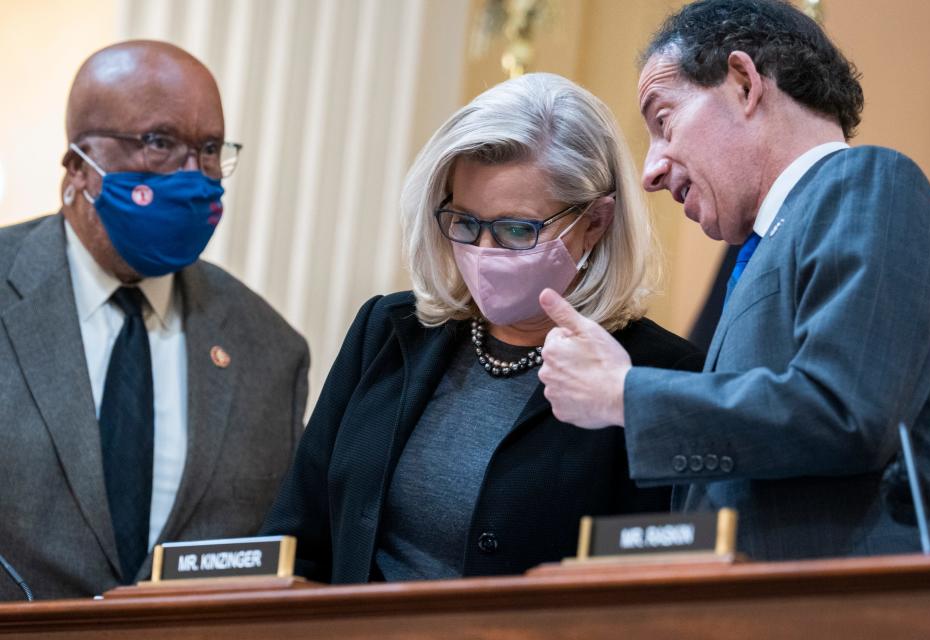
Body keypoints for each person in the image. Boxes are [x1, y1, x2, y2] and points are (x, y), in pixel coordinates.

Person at [538, 0, 930, 560]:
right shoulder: (768, 247)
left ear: (743, 83)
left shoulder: (869, 183)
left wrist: (625, 394)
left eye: (663, 122)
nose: (651, 171)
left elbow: (844, 413)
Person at [261, 72, 703, 583]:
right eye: (466, 223)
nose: (484, 254)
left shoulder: (657, 373)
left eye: (517, 229)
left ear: (595, 223)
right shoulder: (388, 331)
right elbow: (297, 538)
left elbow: (649, 593)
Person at [0, 41, 309, 600]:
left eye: (210, 148)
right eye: (159, 143)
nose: (195, 176)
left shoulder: (270, 349)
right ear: (78, 164)